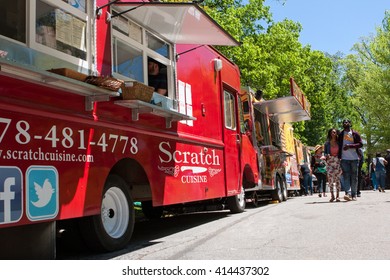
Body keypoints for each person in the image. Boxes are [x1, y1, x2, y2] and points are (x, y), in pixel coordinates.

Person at [337, 119, 363, 201]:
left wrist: (350, 146)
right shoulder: (341, 134)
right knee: (346, 176)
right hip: (344, 158)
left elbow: (361, 144)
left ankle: (354, 194)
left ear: (350, 123)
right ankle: (347, 193)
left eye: (347, 122)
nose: (345, 123)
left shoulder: (355, 133)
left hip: (354, 158)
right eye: (344, 122)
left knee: (354, 177)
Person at [324, 128, 342, 202]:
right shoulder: (327, 143)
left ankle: (338, 196)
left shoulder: (339, 143)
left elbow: (341, 152)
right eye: (331, 132)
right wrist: (326, 155)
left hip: (337, 161)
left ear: (336, 133)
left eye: (334, 132)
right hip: (330, 161)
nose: (333, 133)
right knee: (330, 179)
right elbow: (324, 153)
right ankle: (332, 195)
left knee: (337, 179)